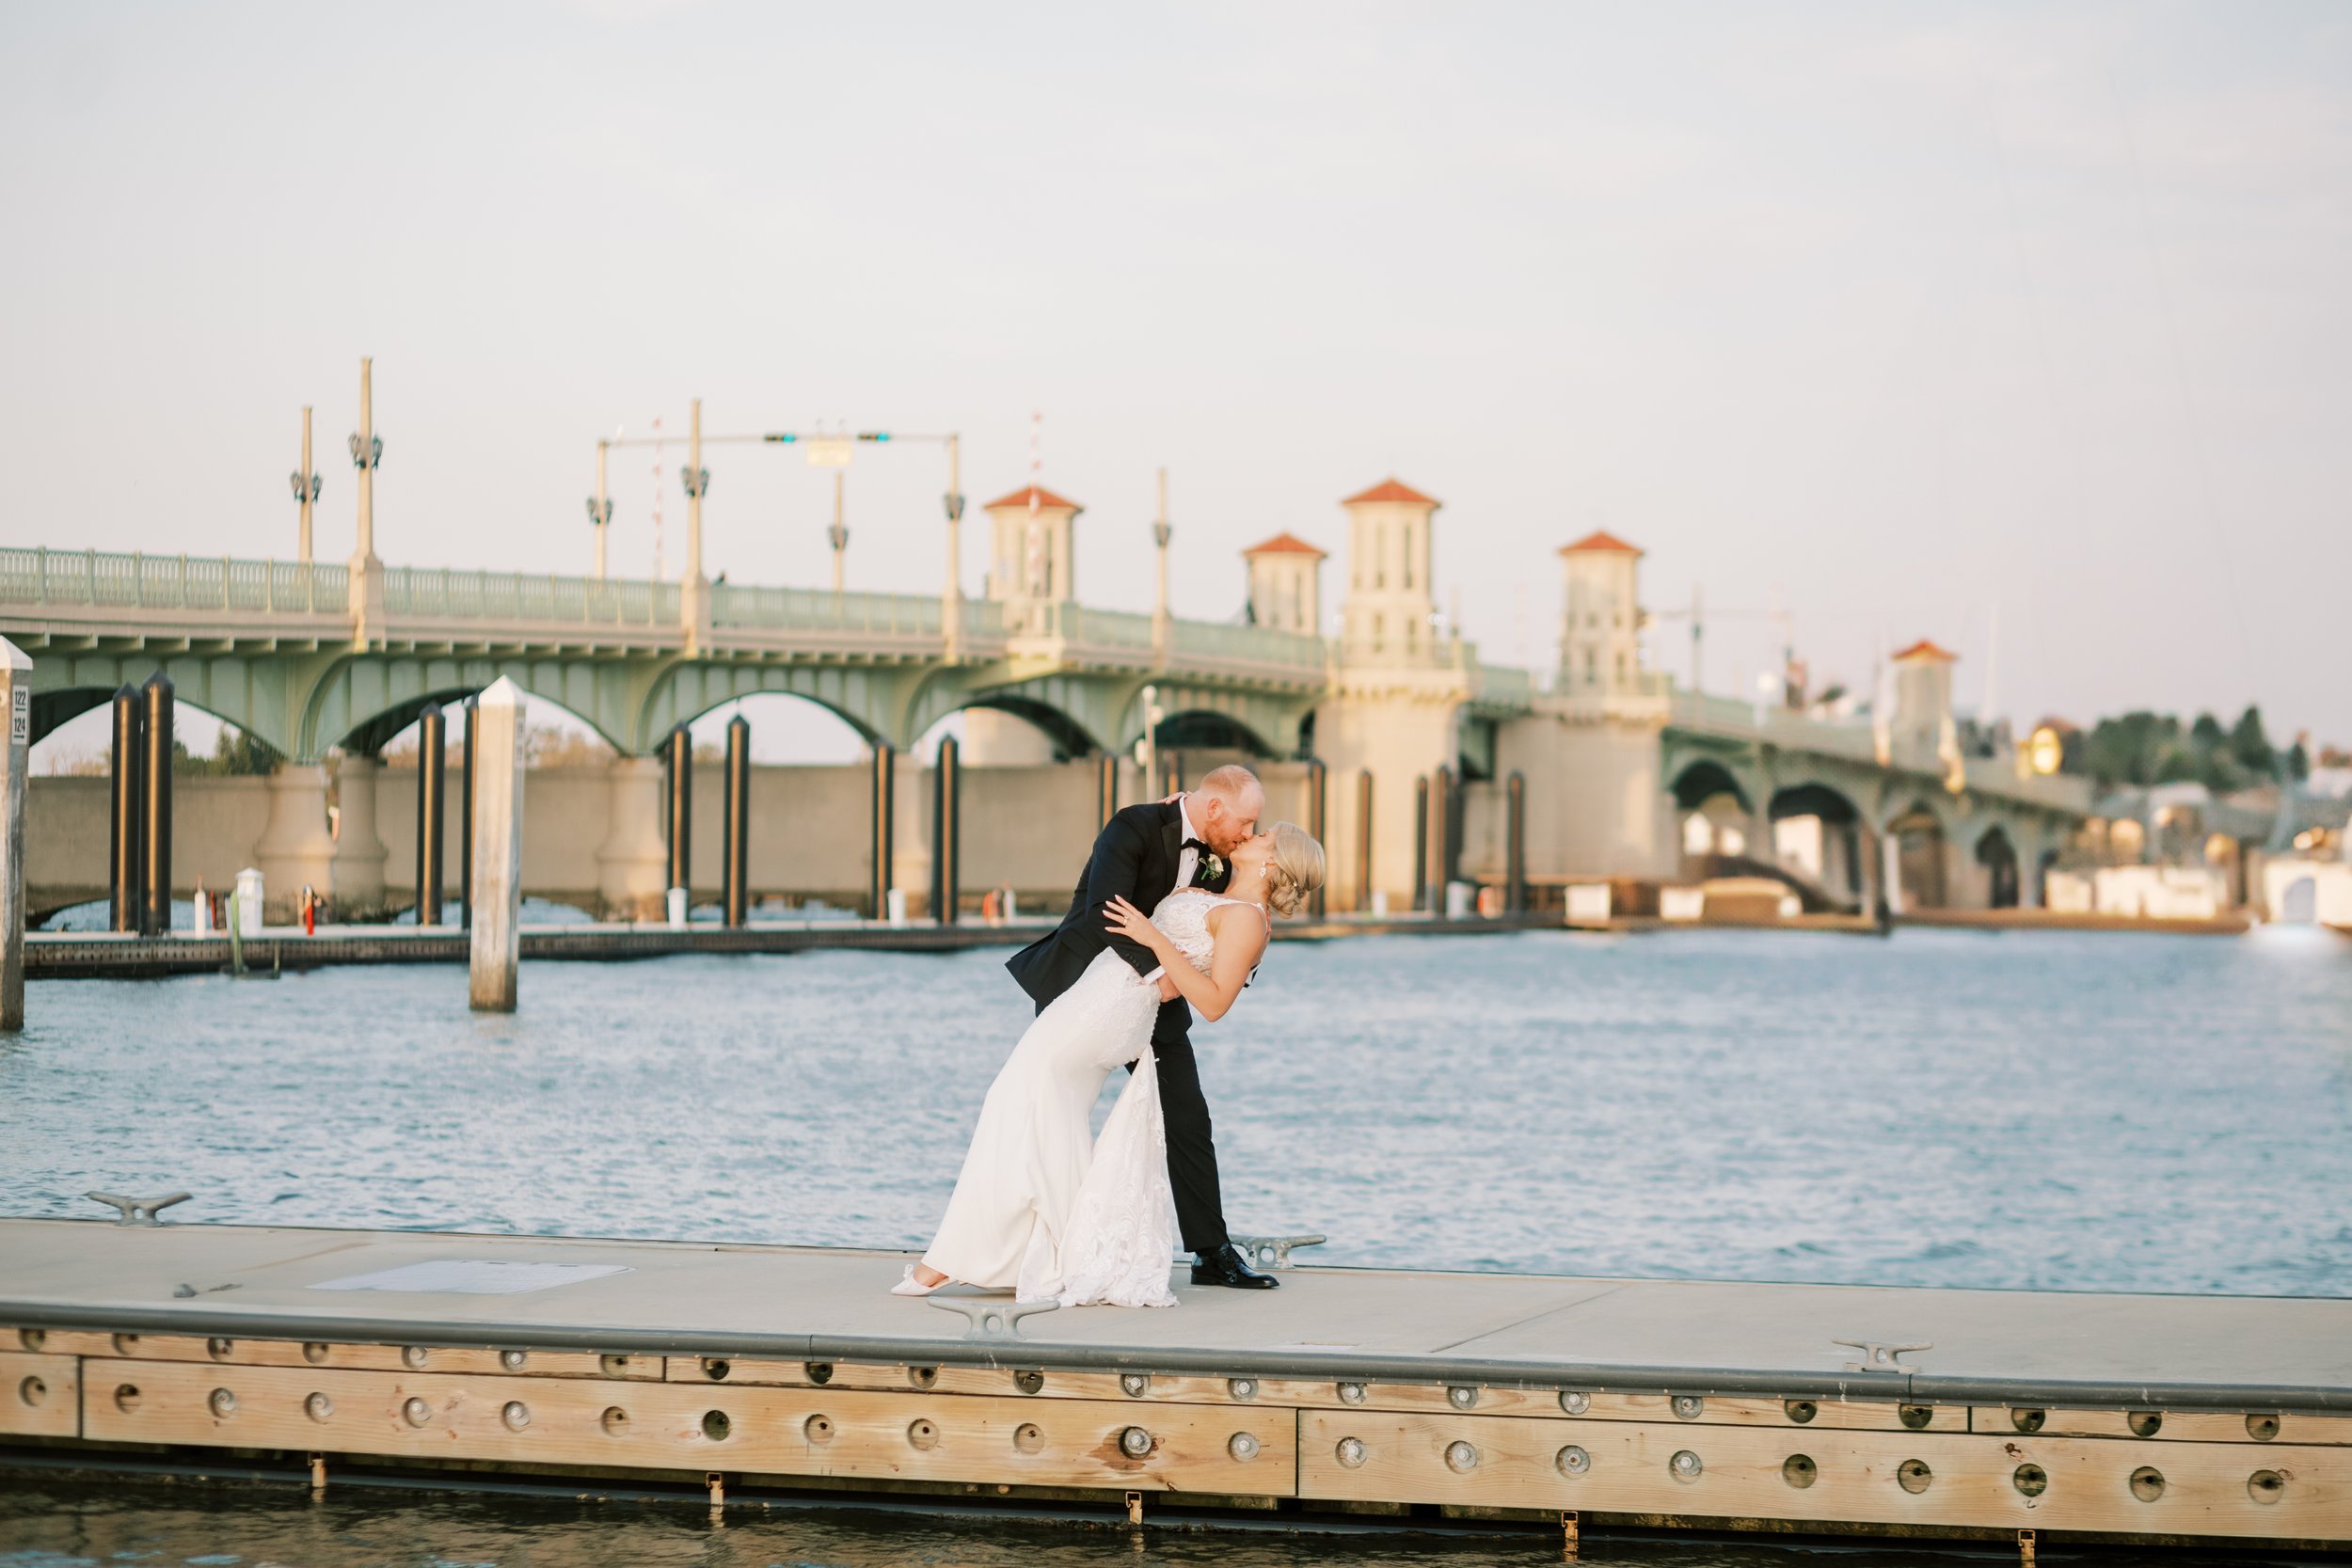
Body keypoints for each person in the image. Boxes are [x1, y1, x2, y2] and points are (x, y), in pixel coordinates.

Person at [895, 767, 1325, 1305]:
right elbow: (1104, 911)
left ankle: (1209, 1252)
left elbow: (1228, 940)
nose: (1247, 831)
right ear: (1213, 808)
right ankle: (1057, 1247)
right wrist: (1159, 970)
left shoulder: (1226, 861)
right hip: (1094, 987)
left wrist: (1172, 968)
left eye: (1256, 829)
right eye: (1247, 821)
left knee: (1183, 1117)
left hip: (1142, 1002)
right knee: (1047, 1111)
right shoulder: (1139, 826)